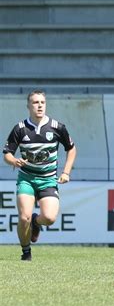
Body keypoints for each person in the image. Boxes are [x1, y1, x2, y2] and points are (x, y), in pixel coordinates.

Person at [2, 89, 77, 261]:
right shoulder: (20, 129)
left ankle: (36, 222)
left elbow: (72, 149)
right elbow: (7, 153)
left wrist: (66, 172)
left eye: (42, 102)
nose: (39, 105)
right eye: (35, 102)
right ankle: (26, 252)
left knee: (49, 218)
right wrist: (13, 161)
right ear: (28, 105)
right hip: (27, 179)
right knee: (24, 217)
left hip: (48, 179)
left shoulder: (57, 127)